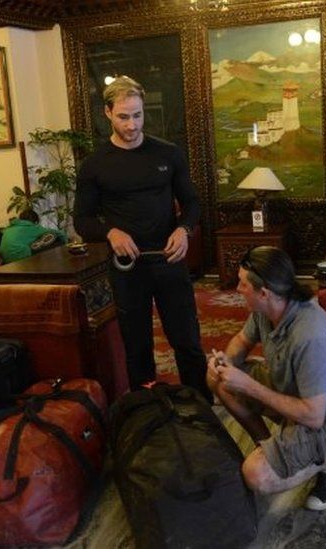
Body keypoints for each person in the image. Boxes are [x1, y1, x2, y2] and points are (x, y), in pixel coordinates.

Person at [73, 76, 207, 399]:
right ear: (107, 113)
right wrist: (110, 231)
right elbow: (82, 220)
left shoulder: (169, 154)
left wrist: (184, 229)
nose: (132, 125)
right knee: (137, 345)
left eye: (137, 115)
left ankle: (201, 403)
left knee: (187, 340)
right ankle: (147, 409)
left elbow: (192, 203)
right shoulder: (94, 165)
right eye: (123, 116)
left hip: (169, 260)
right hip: (127, 268)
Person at [207, 246, 326, 511]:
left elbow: (314, 416)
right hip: (296, 395)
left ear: (264, 292)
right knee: (218, 380)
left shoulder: (310, 335)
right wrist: (225, 362)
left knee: (255, 475)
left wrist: (249, 386)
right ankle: (273, 447)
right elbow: (241, 341)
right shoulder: (266, 308)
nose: (237, 289)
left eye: (242, 283)